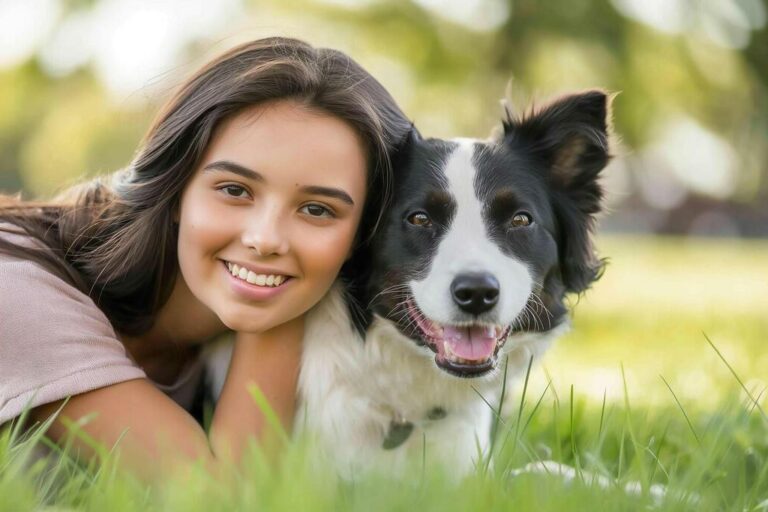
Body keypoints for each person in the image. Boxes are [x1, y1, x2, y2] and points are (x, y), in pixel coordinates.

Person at [0, 37, 410, 481]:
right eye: (234, 190)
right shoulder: (17, 293)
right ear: (176, 188)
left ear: (363, 235)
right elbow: (220, 499)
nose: (266, 238)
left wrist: (284, 291)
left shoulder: (309, 339)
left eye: (317, 210)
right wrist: (282, 293)